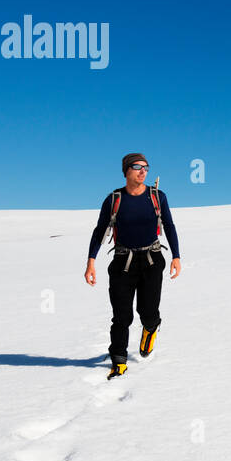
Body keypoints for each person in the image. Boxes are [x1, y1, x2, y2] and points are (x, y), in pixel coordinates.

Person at [85, 153, 182, 378]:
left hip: (151, 260)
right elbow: (99, 230)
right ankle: (118, 361)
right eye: (137, 167)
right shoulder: (114, 199)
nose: (143, 171)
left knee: (147, 312)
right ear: (126, 170)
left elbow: (169, 225)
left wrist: (176, 256)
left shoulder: (158, 196)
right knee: (121, 316)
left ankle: (150, 328)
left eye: (146, 167)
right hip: (122, 263)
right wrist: (91, 261)